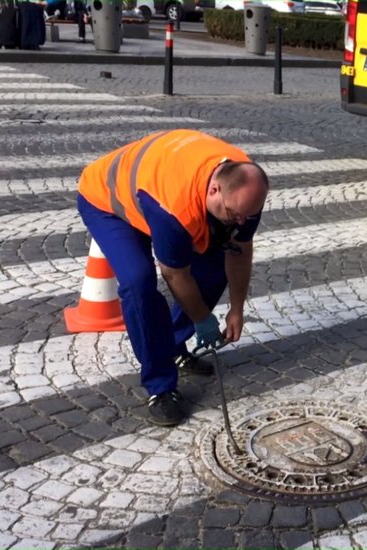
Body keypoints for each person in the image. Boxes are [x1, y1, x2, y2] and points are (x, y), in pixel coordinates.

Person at [76, 130, 270, 427]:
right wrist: (203, 319)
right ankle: (160, 385)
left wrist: (237, 308)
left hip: (154, 187)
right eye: (234, 215)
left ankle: (174, 346)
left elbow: (239, 251)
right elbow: (175, 274)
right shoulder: (175, 210)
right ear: (215, 190)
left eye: (246, 217)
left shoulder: (244, 192)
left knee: (215, 265)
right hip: (107, 201)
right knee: (138, 282)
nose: (241, 222)